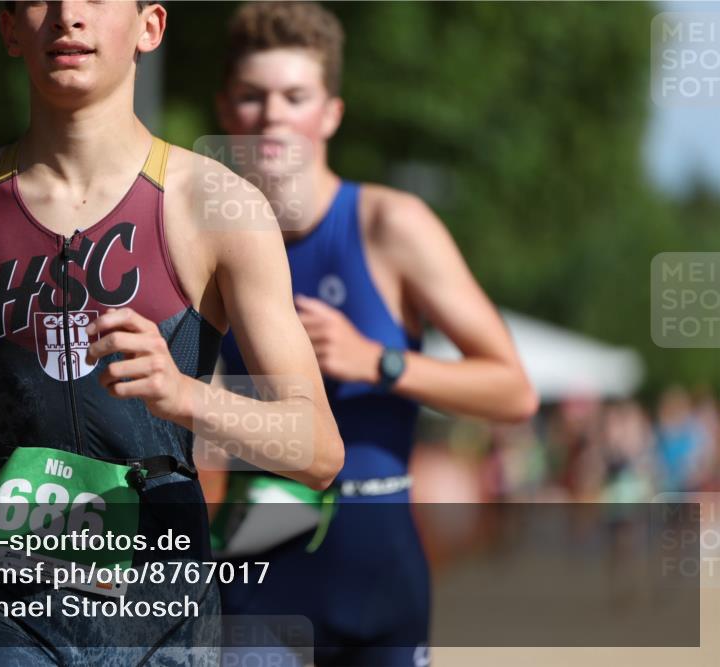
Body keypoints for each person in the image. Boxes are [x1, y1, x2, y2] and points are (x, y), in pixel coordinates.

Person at [0, 2, 344, 665]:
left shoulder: (220, 207)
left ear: (149, 27)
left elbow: (319, 450)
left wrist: (184, 394)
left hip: (164, 614)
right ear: (10, 27)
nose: (69, 15)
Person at [203, 3, 538, 665]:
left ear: (330, 113)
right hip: (257, 575)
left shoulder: (390, 224)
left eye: (295, 96)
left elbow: (514, 392)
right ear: (225, 110)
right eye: (252, 96)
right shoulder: (201, 239)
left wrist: (377, 361)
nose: (272, 116)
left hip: (380, 578)